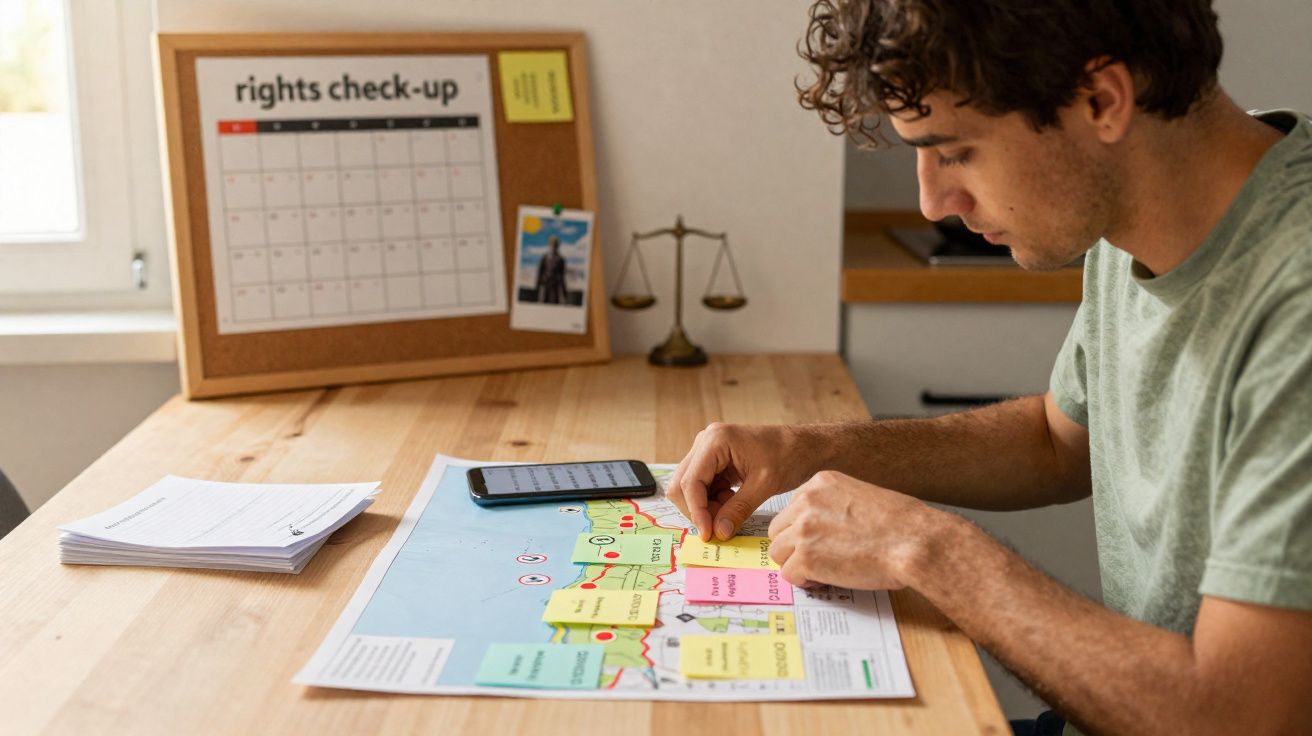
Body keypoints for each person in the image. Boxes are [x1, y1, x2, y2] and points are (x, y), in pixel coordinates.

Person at [666, 2, 1312, 734]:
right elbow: (1056, 440)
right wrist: (808, 450)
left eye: (957, 151)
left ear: (1102, 101)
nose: (933, 202)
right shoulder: (1138, 203)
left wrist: (926, 549)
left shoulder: (1297, 303)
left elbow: (1242, 715)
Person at [535, 236, 569, 304]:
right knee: (542, 305)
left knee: (553, 305)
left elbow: (562, 276)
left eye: (555, 245)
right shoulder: (544, 258)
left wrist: (564, 292)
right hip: (544, 286)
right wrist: (537, 287)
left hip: (555, 288)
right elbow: (539, 273)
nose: (553, 247)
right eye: (551, 244)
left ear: (557, 246)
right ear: (549, 245)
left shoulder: (560, 259)